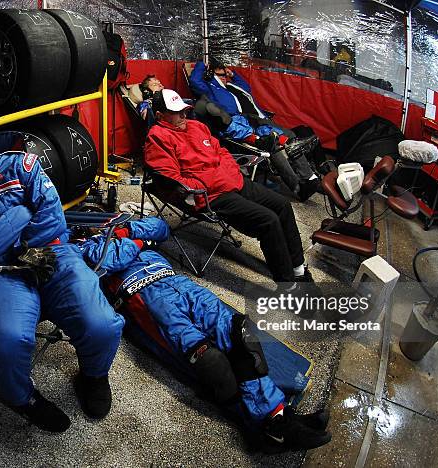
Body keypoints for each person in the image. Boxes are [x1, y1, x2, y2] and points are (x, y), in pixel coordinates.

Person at [0, 119, 125, 432]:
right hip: (1, 274)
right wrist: (21, 213)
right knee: (4, 342)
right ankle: (23, 399)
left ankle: (94, 376)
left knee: (102, 323)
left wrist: (1, 238)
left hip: (54, 255)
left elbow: (54, 220)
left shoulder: (22, 165)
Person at [77, 216, 332, 453]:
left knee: (239, 332)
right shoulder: (83, 246)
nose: (99, 223)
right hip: (142, 295)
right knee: (208, 359)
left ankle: (279, 419)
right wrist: (137, 241)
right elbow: (109, 260)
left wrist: (130, 231)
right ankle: (264, 428)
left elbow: (161, 227)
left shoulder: (124, 227)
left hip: (179, 283)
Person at [144, 89, 316, 285]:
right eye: (176, 112)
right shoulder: (157, 137)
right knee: (268, 220)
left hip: (233, 181)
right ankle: (288, 284)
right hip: (211, 195)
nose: (184, 115)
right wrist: (205, 184)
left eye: (184, 109)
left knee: (283, 205)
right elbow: (169, 177)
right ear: (159, 116)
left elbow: (221, 151)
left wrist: (231, 170)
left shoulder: (197, 126)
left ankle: (298, 269)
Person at [189, 59, 323, 201]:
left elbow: (245, 88)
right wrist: (202, 65)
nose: (223, 77)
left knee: (288, 141)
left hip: (252, 121)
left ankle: (309, 178)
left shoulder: (230, 88)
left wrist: (232, 74)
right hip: (236, 125)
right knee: (277, 144)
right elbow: (195, 82)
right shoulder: (209, 88)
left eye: (224, 75)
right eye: (220, 74)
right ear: (211, 75)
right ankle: (300, 184)